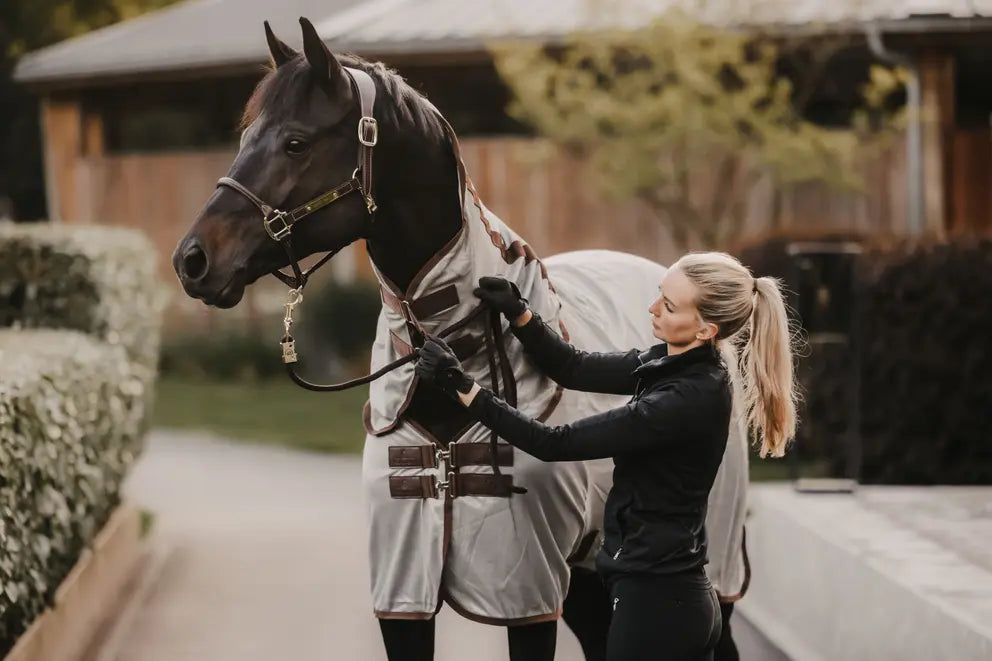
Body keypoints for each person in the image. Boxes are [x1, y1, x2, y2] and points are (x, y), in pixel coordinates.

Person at [415, 252, 797, 661]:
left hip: (657, 606)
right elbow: (574, 367)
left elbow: (553, 443)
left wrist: (462, 388)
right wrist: (520, 313)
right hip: (665, 595)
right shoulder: (673, 364)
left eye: (668, 307)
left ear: (706, 329)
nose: (652, 309)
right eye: (659, 296)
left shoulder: (682, 399)